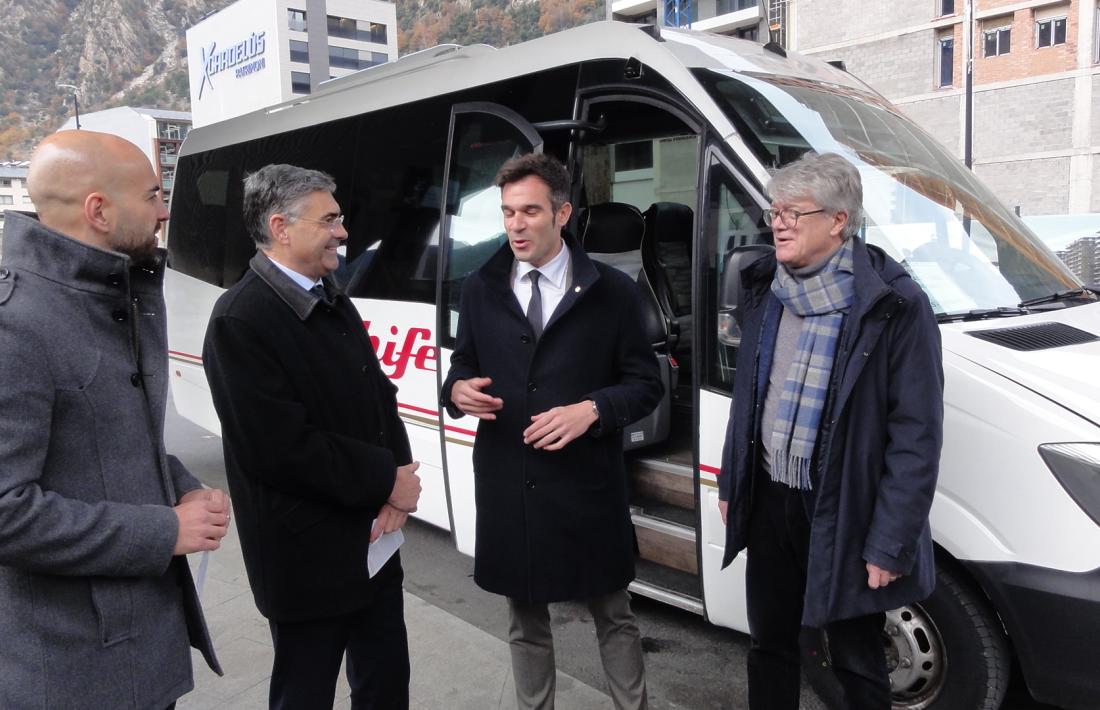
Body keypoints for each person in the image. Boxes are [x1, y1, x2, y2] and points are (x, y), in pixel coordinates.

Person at [0, 130, 229, 709]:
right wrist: (164, 530)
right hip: (73, 672)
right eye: (153, 194)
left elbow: (103, 440)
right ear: (98, 211)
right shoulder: (16, 324)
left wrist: (179, 485)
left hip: (134, 647)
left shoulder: (107, 293)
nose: (164, 210)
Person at [717, 152, 943, 709]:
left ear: (839, 220)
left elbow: (916, 435)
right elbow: (749, 399)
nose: (779, 223)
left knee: (854, 657)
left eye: (794, 213)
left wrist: (890, 543)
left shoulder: (894, 305)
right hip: (771, 497)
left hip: (843, 505)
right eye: (775, 212)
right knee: (769, 642)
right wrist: (732, 481)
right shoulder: (766, 286)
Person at [441, 153, 662, 710]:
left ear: (562, 213)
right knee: (524, 618)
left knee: (613, 613)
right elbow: (462, 365)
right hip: (510, 480)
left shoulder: (612, 290)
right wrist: (458, 391)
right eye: (508, 212)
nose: (515, 224)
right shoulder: (480, 288)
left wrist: (592, 409)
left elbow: (644, 383)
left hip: (586, 483)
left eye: (530, 211)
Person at [202, 163, 422, 709]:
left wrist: (400, 475)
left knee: (386, 684)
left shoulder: (330, 296)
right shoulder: (240, 320)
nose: (343, 232)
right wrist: (384, 481)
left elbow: (380, 394)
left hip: (371, 545)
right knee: (306, 694)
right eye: (330, 219)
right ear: (281, 227)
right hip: (305, 561)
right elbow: (279, 450)